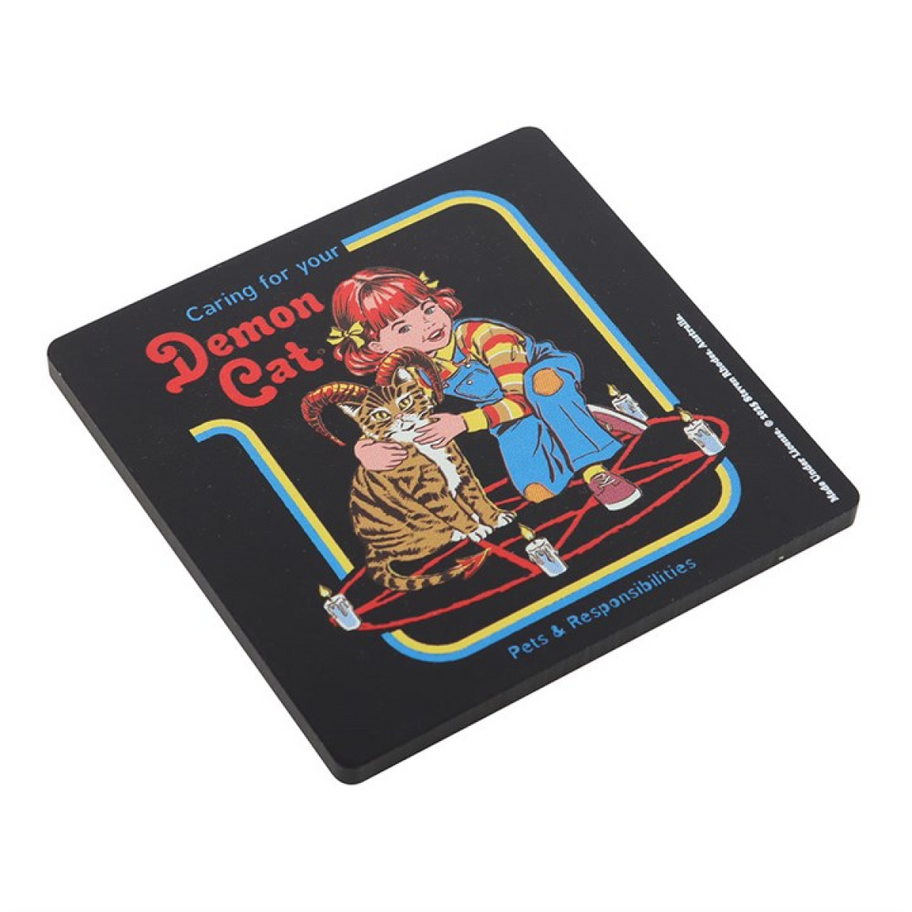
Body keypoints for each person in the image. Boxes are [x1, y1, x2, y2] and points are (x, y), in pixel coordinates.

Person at [327, 267, 640, 510]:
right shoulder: (415, 373)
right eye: (404, 327)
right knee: (538, 491)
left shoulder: (483, 335)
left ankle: (594, 471)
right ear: (378, 346)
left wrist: (463, 423)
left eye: (427, 309)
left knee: (542, 388)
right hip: (504, 413)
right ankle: (581, 419)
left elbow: (520, 397)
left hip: (541, 377)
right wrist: (364, 449)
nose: (428, 325)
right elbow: (390, 412)